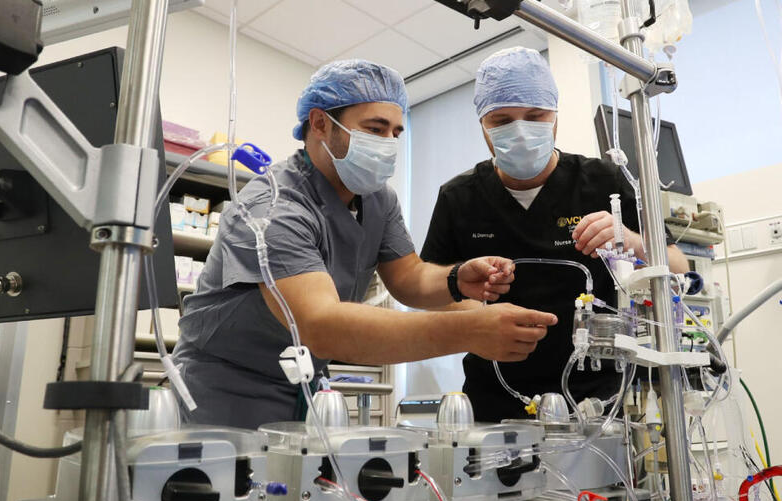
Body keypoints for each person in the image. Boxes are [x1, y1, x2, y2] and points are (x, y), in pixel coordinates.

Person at [173, 59, 558, 430]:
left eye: (396, 132)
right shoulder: (273, 207)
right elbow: (320, 325)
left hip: (303, 386)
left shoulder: (377, 198)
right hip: (225, 391)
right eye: (375, 129)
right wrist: (468, 331)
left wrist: (457, 278)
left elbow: (407, 276)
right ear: (321, 123)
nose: (389, 143)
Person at [420, 47, 687, 423]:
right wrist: (477, 318)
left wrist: (632, 240)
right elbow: (430, 292)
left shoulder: (603, 182)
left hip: (597, 402)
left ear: (555, 117)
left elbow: (678, 266)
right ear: (482, 124)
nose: (520, 130)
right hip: (494, 400)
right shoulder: (458, 197)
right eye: (501, 119)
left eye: (535, 116)